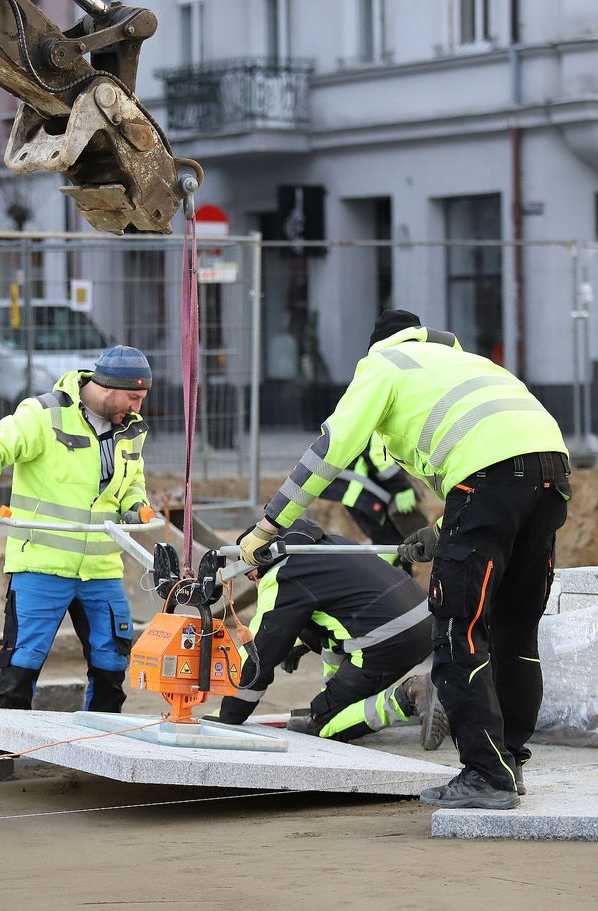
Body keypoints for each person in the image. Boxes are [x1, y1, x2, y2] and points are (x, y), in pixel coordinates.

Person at [239, 309, 571, 810]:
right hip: (552, 475)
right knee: (515, 631)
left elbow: (331, 450)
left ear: (376, 346)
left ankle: (486, 775)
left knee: (461, 629)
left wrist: (269, 524)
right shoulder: (472, 364)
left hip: (486, 481)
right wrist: (438, 533)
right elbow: (507, 466)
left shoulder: (384, 363)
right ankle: (509, 761)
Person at [0, 345, 156, 713]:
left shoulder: (131, 430)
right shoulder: (43, 415)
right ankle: (3, 756)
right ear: (106, 387)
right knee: (21, 664)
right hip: (42, 566)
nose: (138, 408)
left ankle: (99, 752)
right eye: (133, 397)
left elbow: (132, 481)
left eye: (142, 398)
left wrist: (136, 507)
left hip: (101, 571)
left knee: (113, 663)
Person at [215, 519, 447, 747]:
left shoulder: (281, 576)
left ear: (257, 559)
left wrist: (230, 714)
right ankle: (447, 697)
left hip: (389, 638)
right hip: (425, 621)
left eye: (248, 572)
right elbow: (337, 615)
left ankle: (409, 695)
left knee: (323, 725)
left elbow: (258, 655)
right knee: (334, 662)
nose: (252, 580)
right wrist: (302, 645)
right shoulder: (326, 545)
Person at [318, 431, 429, 571]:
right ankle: (381, 583)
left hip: (361, 492)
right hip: (361, 492)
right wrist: (401, 487)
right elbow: (377, 455)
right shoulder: (379, 419)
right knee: (390, 542)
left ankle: (402, 584)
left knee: (397, 541)